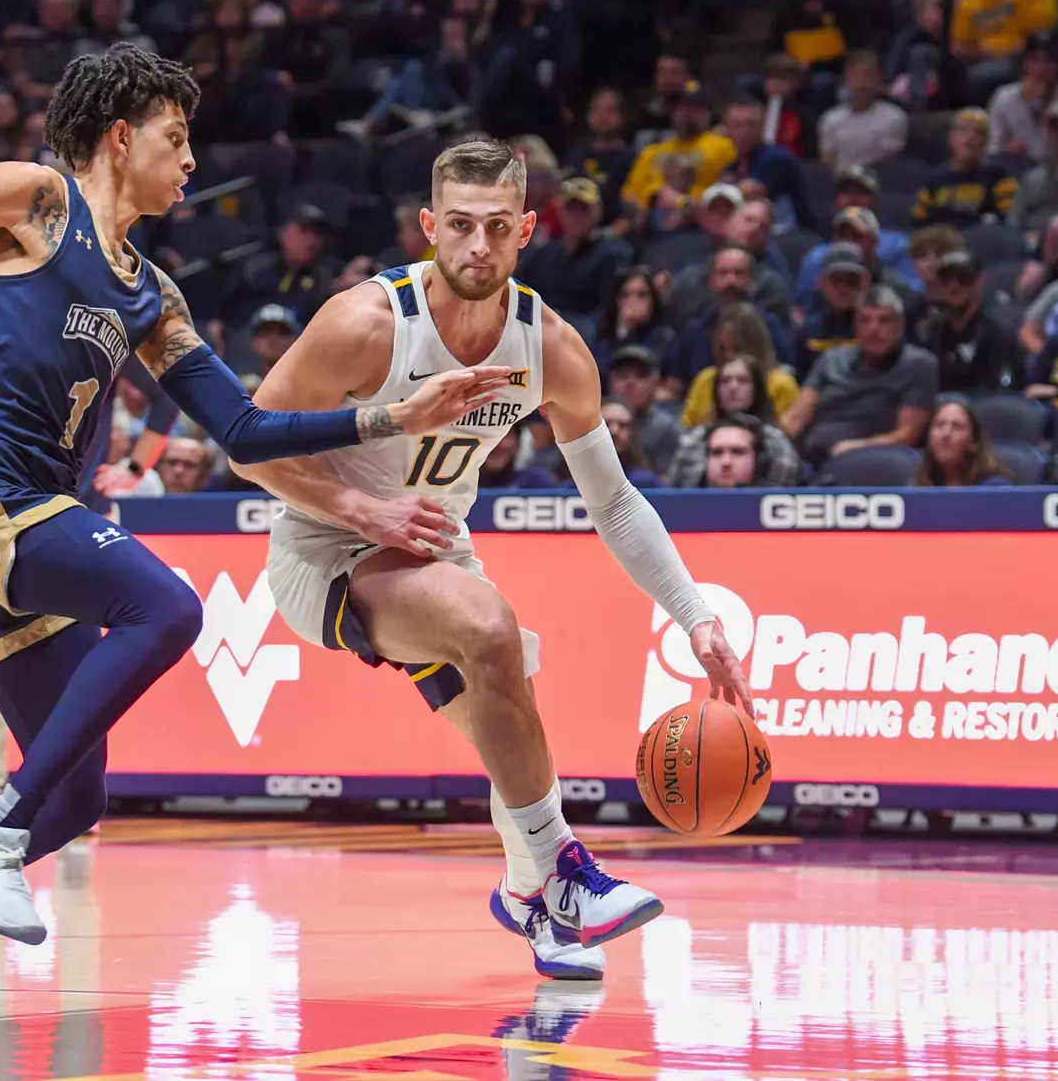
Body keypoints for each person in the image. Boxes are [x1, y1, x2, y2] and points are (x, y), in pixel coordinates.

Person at [0, 45, 509, 1018]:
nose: (191, 162)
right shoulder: (36, 199)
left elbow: (247, 429)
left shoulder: (151, 293)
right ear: (123, 135)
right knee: (166, 604)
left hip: (29, 523)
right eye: (178, 139)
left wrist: (391, 416)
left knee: (76, 799)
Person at [230, 140, 751, 982]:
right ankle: (570, 873)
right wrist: (365, 509)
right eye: (461, 226)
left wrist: (697, 616)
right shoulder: (365, 323)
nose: (478, 246)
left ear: (526, 232)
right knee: (492, 627)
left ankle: (530, 899)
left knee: (509, 713)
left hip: (433, 546)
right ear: (430, 226)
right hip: (323, 545)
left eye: (497, 228)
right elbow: (245, 448)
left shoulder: (548, 345)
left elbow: (614, 502)